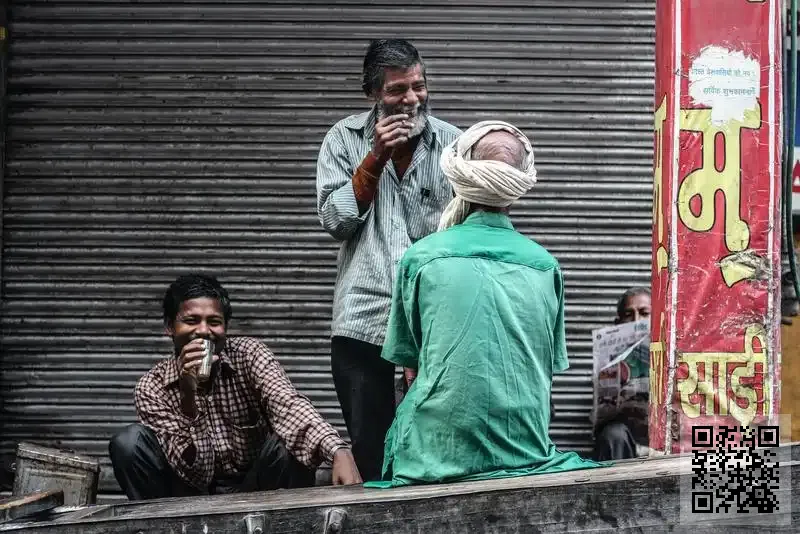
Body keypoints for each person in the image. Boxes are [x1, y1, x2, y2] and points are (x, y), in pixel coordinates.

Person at [367, 121, 600, 488]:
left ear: (460, 176)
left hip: (434, 456)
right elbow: (544, 370)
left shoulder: (421, 258)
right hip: (526, 452)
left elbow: (410, 367)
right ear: (516, 187)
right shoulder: (545, 266)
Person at [316, 39, 461, 481]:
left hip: (436, 322)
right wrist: (375, 157)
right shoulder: (343, 139)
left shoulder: (453, 145)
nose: (412, 99)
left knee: (435, 448)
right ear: (372, 93)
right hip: (363, 321)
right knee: (372, 451)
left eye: (419, 85)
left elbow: (465, 233)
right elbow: (335, 221)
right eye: (398, 90)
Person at [108, 274, 361, 500]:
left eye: (214, 321)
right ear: (169, 327)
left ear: (225, 328)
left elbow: (288, 405)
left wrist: (337, 450)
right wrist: (188, 396)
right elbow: (197, 475)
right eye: (191, 320)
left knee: (288, 441)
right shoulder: (152, 387)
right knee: (129, 443)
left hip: (256, 489)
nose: (203, 331)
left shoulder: (249, 355)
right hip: (188, 493)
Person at [592, 287, 652, 461]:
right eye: (628, 314)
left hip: (661, 436)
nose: (636, 320)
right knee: (613, 435)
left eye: (644, 313)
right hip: (626, 439)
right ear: (618, 322)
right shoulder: (607, 360)